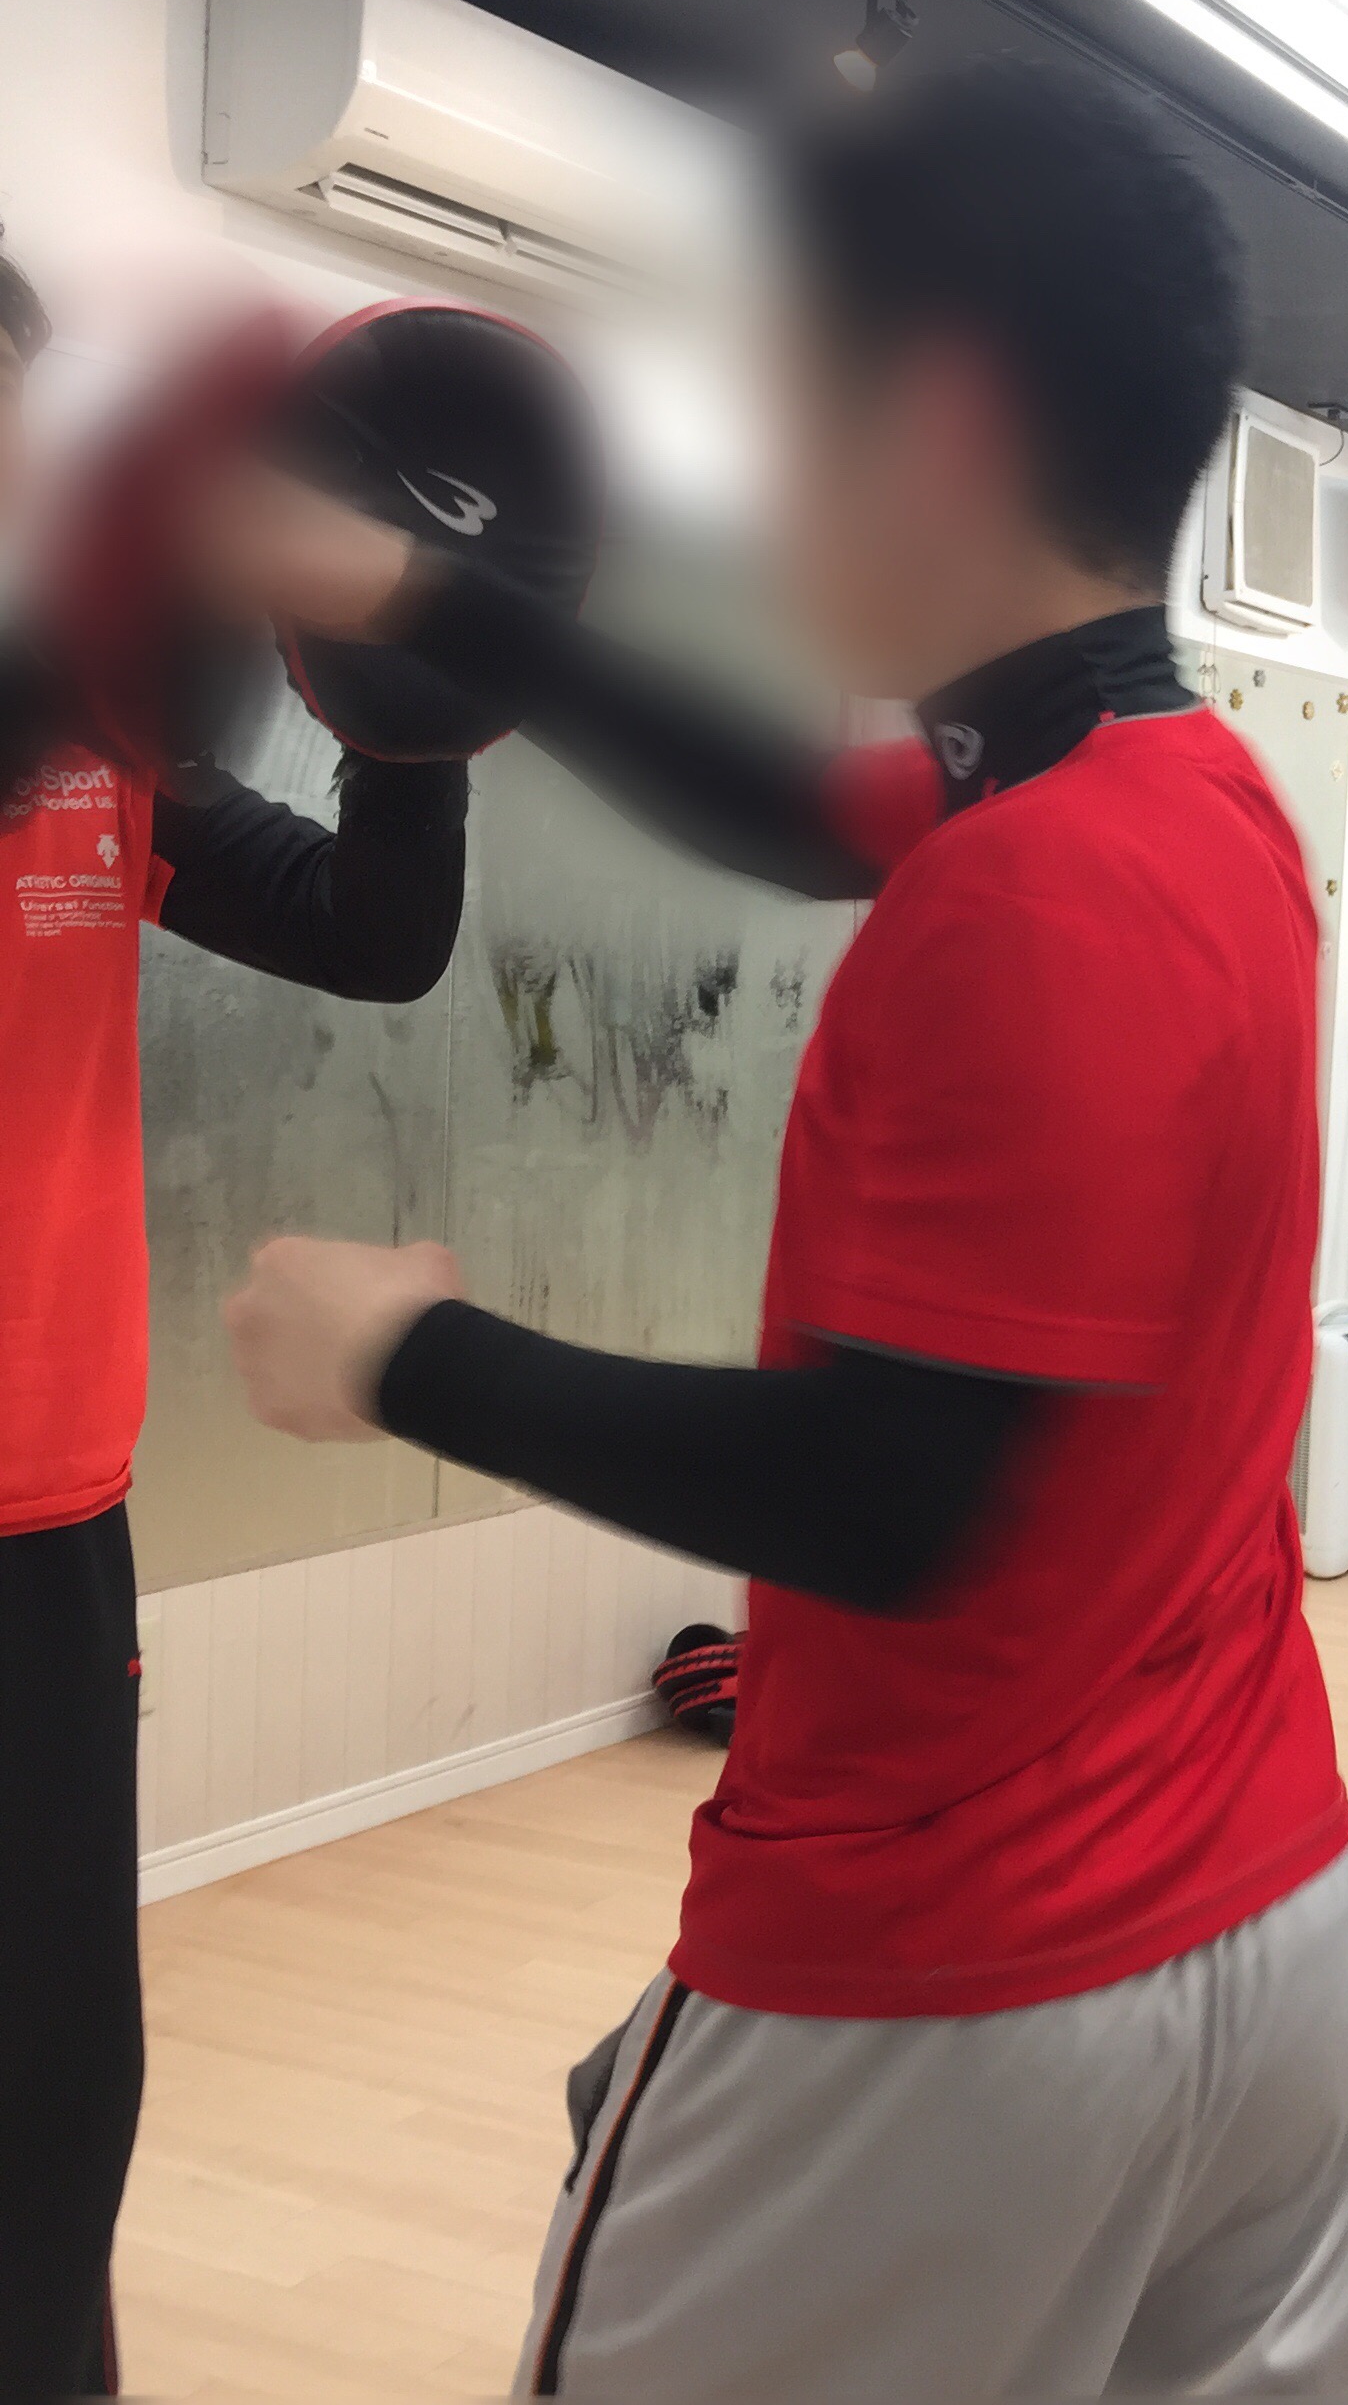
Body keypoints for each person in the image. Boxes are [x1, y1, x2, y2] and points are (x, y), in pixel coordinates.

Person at [212, 60, 1348, 2394]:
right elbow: (786, 806)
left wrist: (398, 1353)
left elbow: (887, 1496)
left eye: (780, 402)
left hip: (943, 1984)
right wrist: (429, 597)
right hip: (1264, 1924)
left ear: (936, 423)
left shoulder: (1029, 896)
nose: (757, 478)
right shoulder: (1180, 795)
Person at [0, 233, 471, 2397]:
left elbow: (380, 931)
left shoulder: (91, 758)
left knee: (52, 2099)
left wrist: (399, 692)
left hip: (47, 1529)